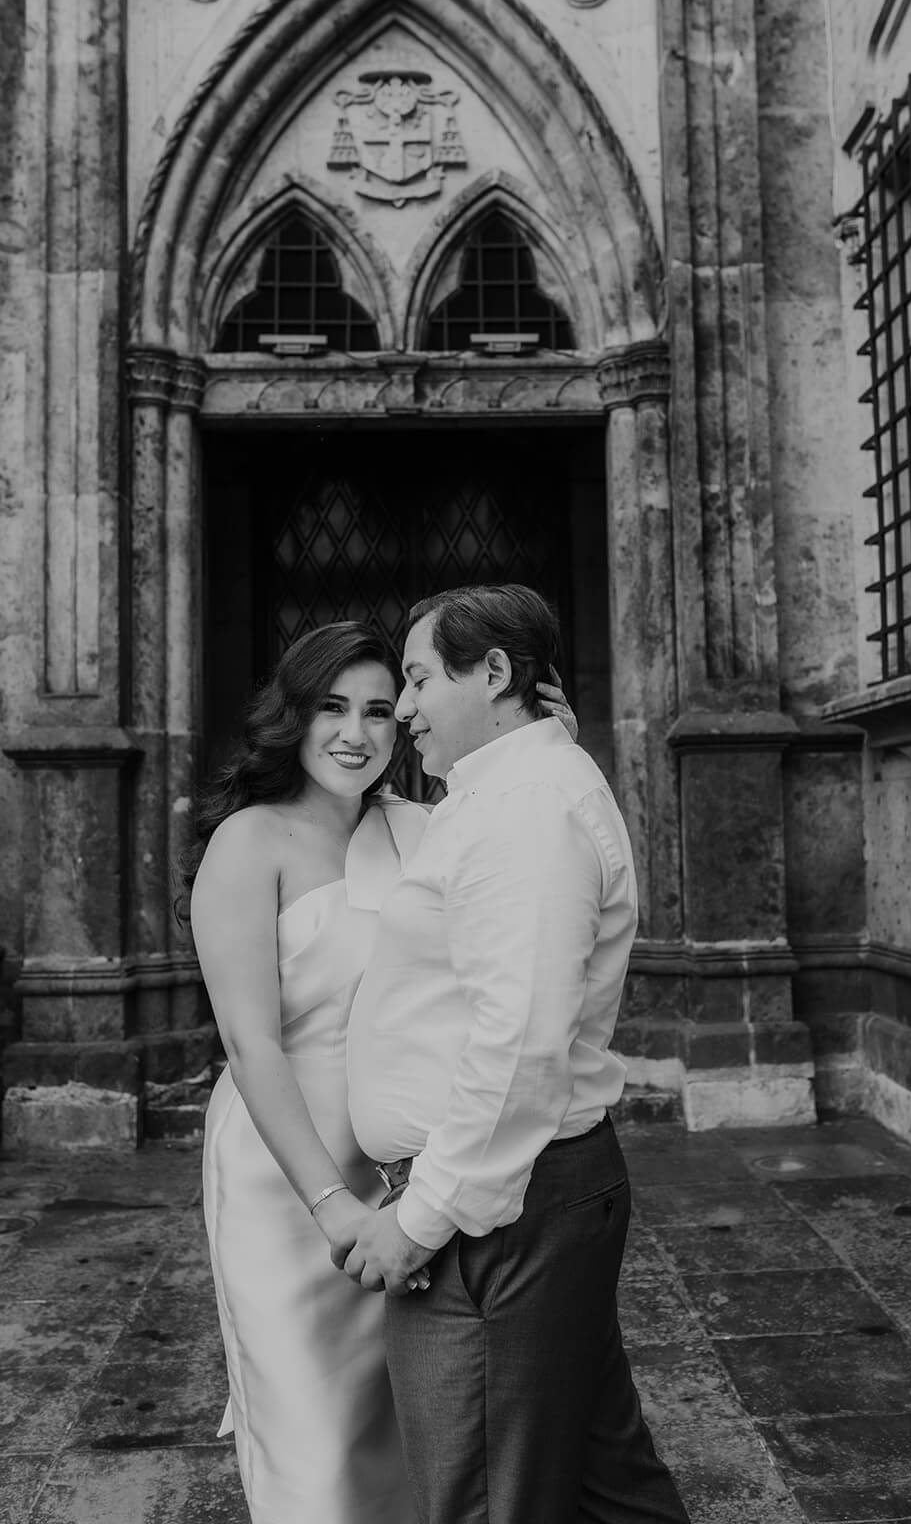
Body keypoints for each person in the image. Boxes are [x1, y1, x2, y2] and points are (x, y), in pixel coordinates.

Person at [183, 618, 575, 1524]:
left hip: (402, 1169)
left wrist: (545, 744)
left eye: (376, 711)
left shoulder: (421, 827)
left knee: (406, 1428)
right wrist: (332, 1206)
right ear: (293, 715)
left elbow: (525, 861)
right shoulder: (250, 841)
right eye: (331, 708)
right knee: (316, 1437)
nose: (355, 734)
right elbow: (251, 1045)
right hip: (286, 1173)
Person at [344, 585, 690, 1524]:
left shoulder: (528, 806)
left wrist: (419, 1219)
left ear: (494, 671)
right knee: (605, 1483)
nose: (403, 707)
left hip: (493, 1207)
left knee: (483, 1498)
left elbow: (519, 1043)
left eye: (418, 679)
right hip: (520, 1193)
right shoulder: (511, 789)